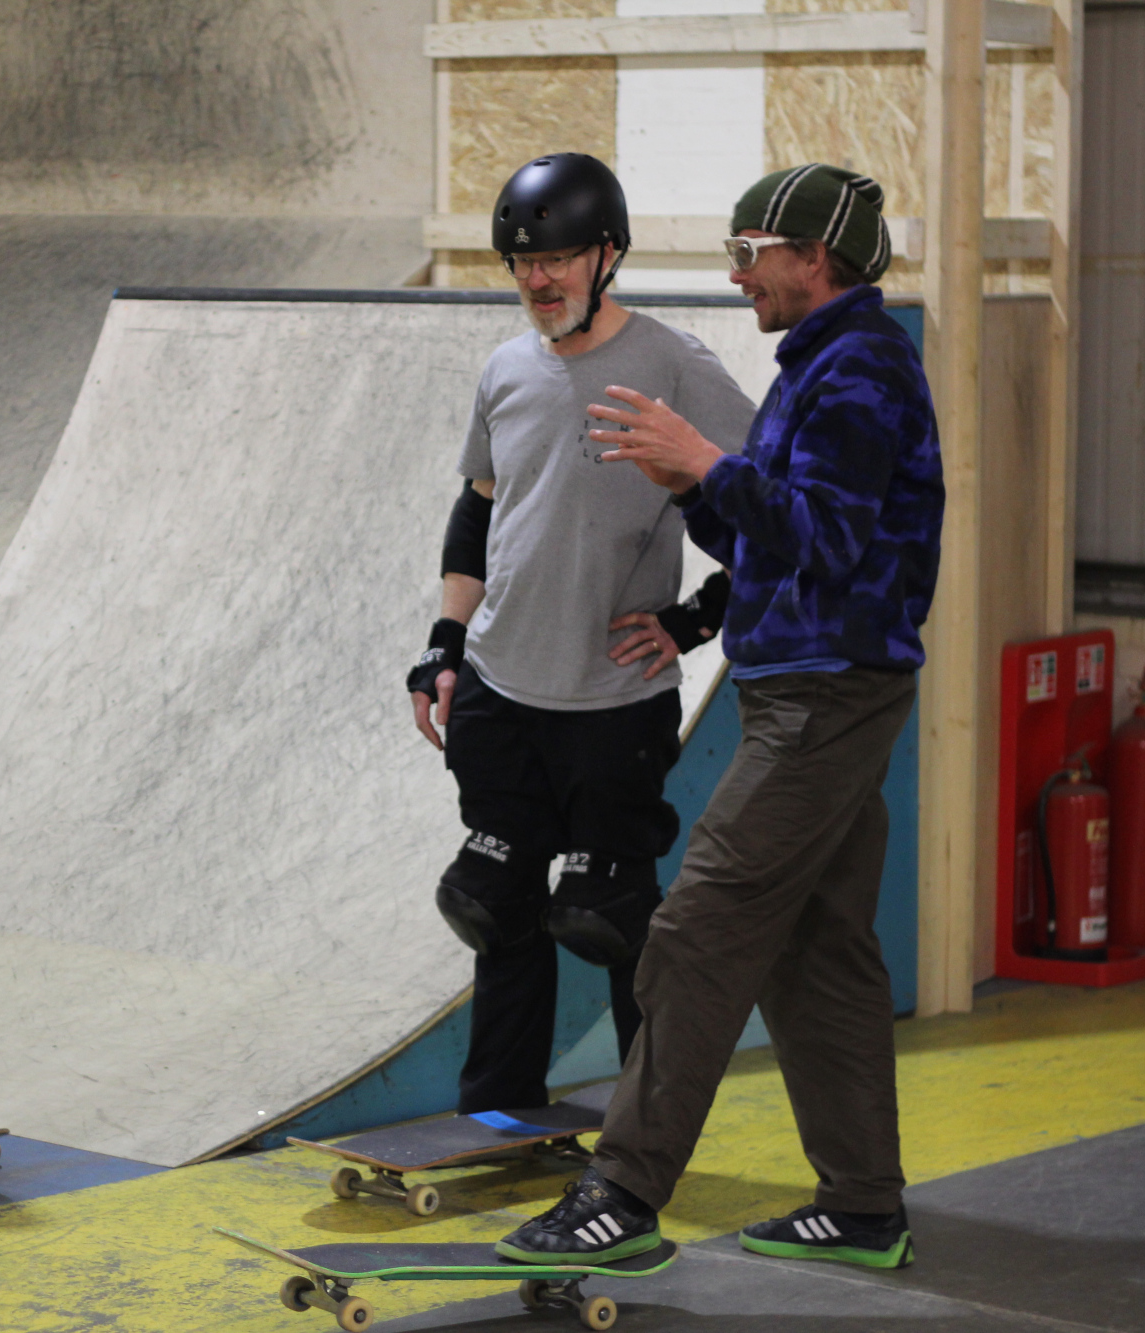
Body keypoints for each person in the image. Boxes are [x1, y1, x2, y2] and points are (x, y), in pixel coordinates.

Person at [495, 164, 942, 1269]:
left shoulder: (859, 370)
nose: (737, 275)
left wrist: (705, 461)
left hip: (825, 695)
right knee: (816, 949)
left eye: (749, 253)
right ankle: (861, 1203)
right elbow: (761, 540)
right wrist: (693, 485)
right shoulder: (817, 365)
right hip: (806, 684)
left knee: (696, 934)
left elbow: (824, 538)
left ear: (813, 256)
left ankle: (621, 1193)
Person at [406, 153, 755, 1118]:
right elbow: (479, 510)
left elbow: (768, 502)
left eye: (557, 259)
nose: (538, 280)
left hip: (613, 702)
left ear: (607, 255)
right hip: (500, 688)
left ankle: (647, 1136)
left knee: (609, 916)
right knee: (496, 904)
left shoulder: (675, 366)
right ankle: (499, 1117)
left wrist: (695, 619)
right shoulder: (505, 369)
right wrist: (444, 646)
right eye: (522, 262)